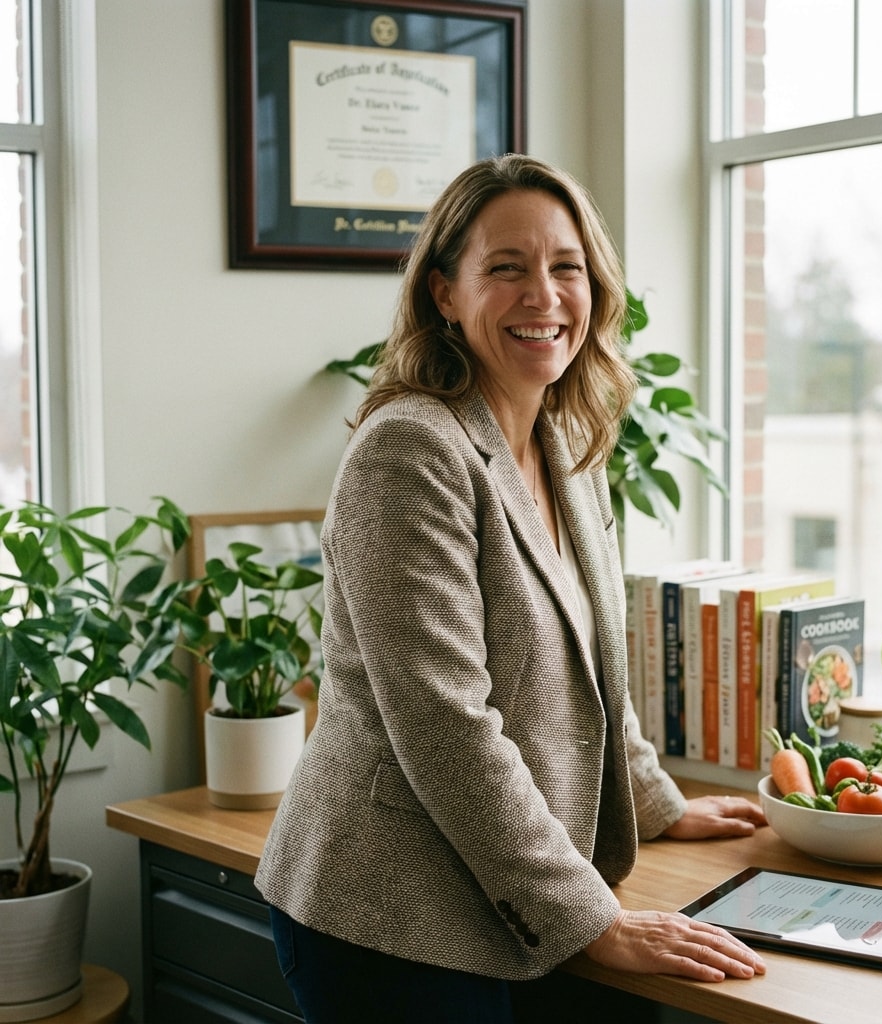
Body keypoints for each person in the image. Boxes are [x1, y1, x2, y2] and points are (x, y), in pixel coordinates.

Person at [255, 153, 767, 1023]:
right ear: (443, 294)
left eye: (566, 267)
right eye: (506, 268)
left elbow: (598, 661)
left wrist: (654, 801)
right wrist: (591, 920)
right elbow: (445, 722)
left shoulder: (568, 446)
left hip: (510, 895)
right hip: (391, 915)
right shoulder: (410, 452)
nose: (544, 295)